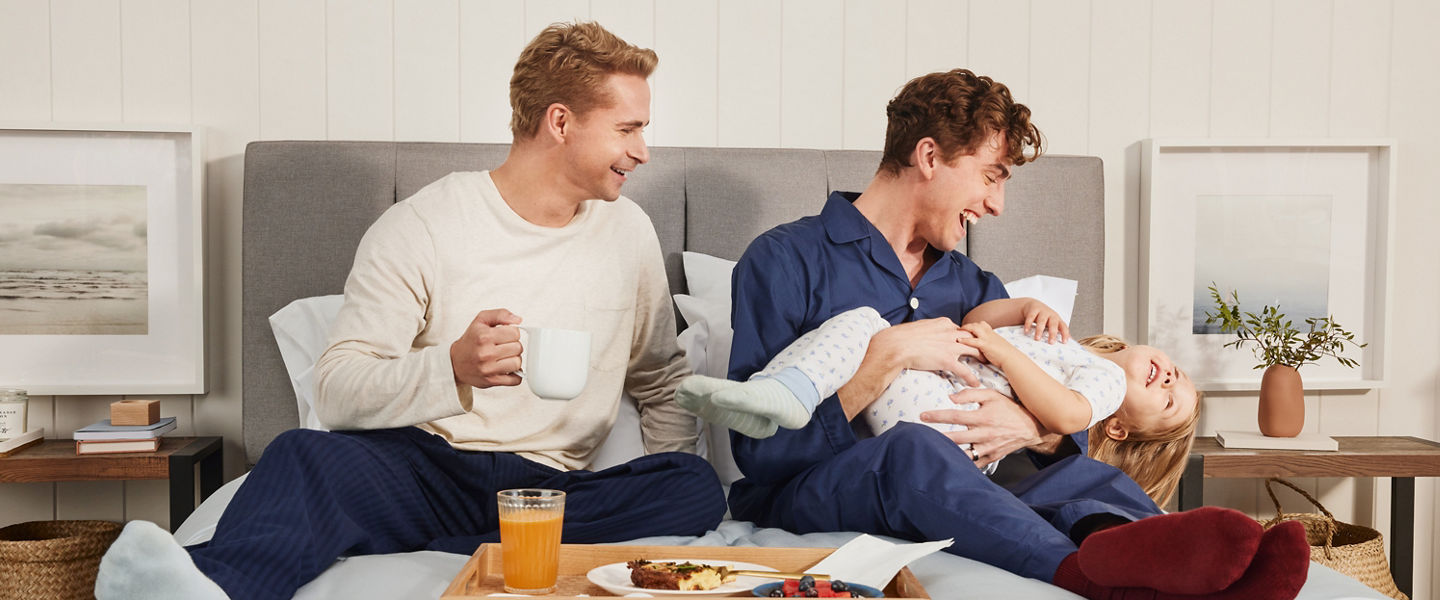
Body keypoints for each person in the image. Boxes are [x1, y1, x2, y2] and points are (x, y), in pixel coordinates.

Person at [95, 21, 726, 600]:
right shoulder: (425, 224)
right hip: (426, 469)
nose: (643, 151)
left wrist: (653, 480)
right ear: (561, 122)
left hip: (549, 494)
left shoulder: (627, 233)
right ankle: (206, 587)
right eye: (629, 128)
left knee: (692, 487)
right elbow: (338, 387)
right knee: (302, 454)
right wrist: (450, 369)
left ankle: (451, 546)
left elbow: (660, 380)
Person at [719, 68, 1308, 599]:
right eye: (991, 175)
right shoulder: (785, 260)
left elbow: (1057, 424)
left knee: (1084, 474)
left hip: (985, 482)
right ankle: (1084, 578)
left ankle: (1194, 581)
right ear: (929, 156)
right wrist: (883, 361)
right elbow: (760, 452)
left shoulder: (974, 285)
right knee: (912, 452)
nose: (997, 205)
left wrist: (1031, 427)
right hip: (823, 488)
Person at [677, 303, 1200, 506]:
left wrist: (997, 349)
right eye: (1178, 372)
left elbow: (1065, 415)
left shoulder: (1103, 383)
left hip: (949, 423)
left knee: (881, 340)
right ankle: (786, 391)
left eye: (1169, 400)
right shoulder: (1061, 341)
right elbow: (980, 314)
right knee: (863, 322)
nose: (1171, 378)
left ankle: (796, 399)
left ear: (1123, 432)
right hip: (926, 393)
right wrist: (1023, 308)